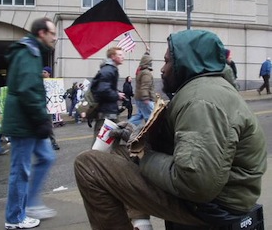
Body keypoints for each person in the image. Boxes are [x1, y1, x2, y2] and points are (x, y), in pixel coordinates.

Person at [74, 30, 267, 229]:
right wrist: (136, 137)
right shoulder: (204, 89)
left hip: (215, 204)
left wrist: (143, 154)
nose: (162, 69)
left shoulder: (201, 100)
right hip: (221, 193)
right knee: (120, 154)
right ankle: (141, 222)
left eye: (167, 61)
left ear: (186, 63)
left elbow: (195, 183)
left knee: (89, 166)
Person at [2, 17, 57, 229]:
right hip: (24, 124)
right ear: (41, 33)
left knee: (46, 156)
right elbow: (26, 90)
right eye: (52, 33)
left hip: (30, 123)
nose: (54, 37)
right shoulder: (28, 52)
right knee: (20, 170)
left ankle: (30, 204)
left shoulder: (32, 52)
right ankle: (14, 218)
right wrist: (41, 118)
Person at [91, 46, 125, 138]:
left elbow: (106, 87)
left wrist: (116, 93)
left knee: (113, 139)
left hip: (110, 111)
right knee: (100, 142)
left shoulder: (110, 69)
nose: (123, 57)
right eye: (120, 55)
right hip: (106, 112)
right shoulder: (108, 70)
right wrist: (117, 95)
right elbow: (103, 90)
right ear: (113, 57)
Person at [128, 48, 156, 126]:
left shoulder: (140, 71)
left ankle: (126, 126)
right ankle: (151, 132)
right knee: (151, 117)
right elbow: (145, 86)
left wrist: (147, 52)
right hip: (145, 99)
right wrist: (146, 97)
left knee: (139, 116)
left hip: (140, 98)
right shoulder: (146, 73)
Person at [42, 66, 60, 150]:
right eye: (42, 72)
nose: (43, 73)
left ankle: (53, 143)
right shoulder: (39, 83)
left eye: (45, 72)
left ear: (49, 73)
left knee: (48, 125)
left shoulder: (54, 83)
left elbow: (58, 94)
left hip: (49, 107)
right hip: (41, 106)